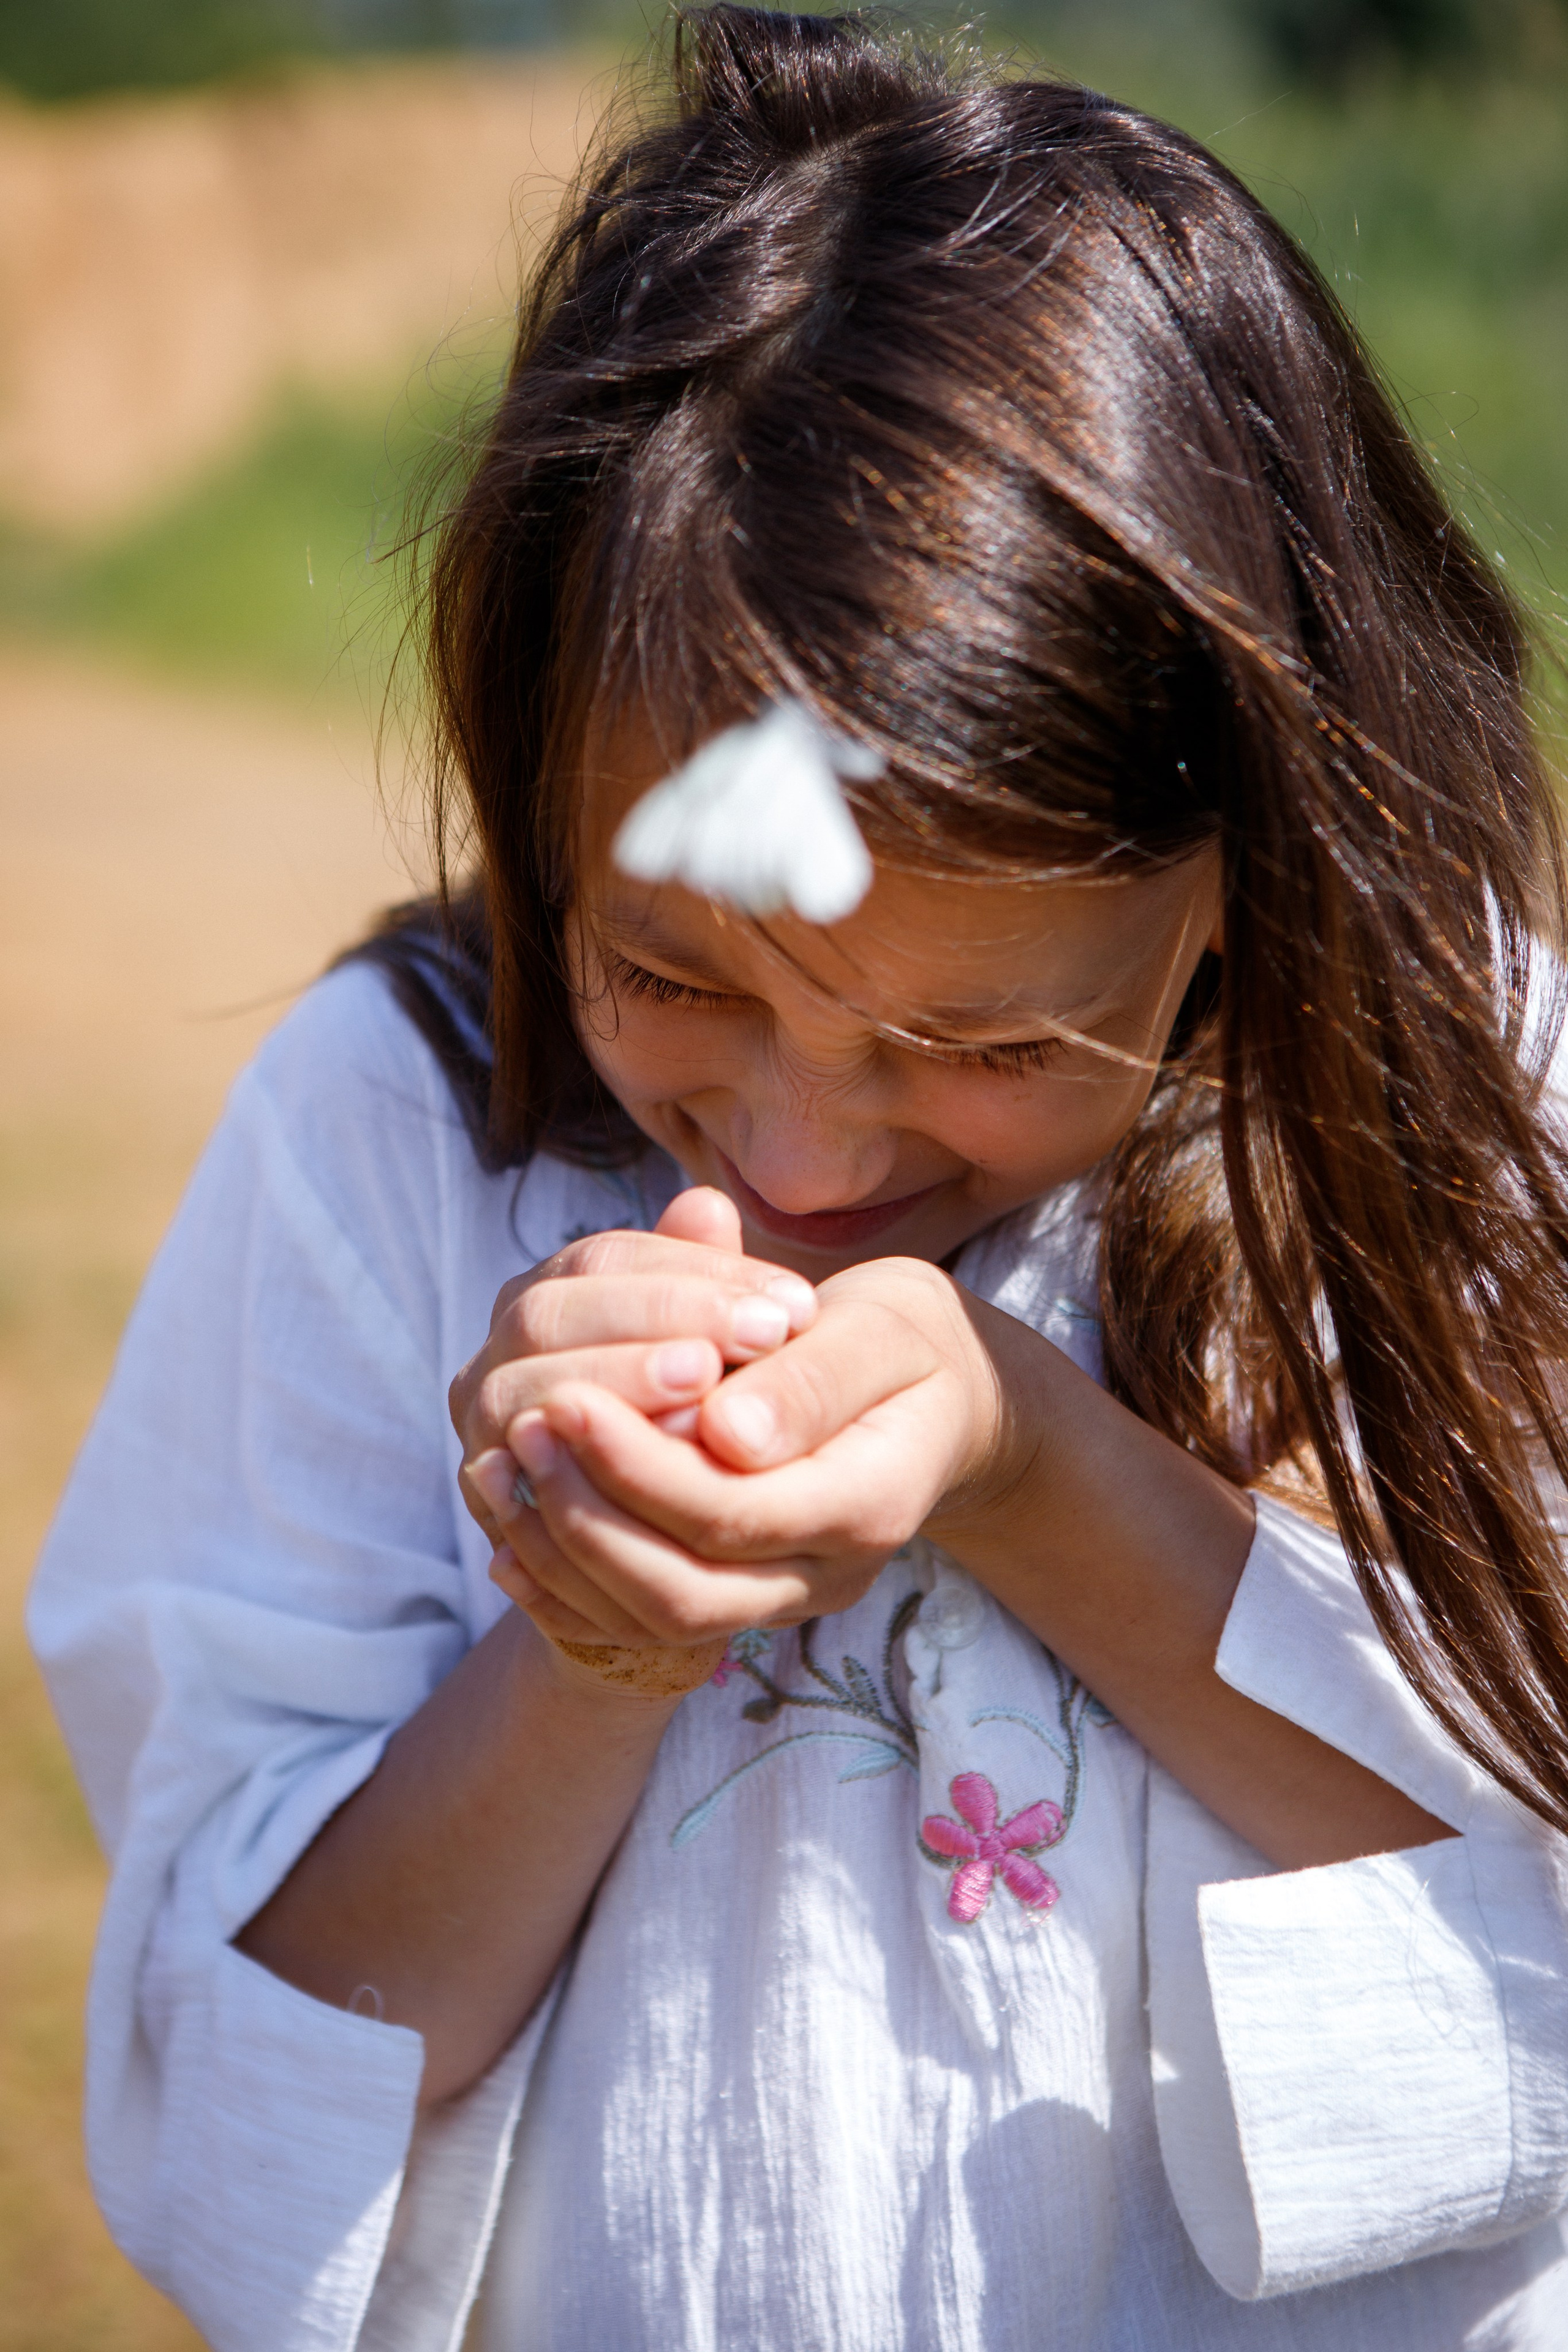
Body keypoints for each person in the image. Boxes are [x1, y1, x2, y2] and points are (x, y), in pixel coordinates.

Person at [29, 9, 1568, 2346]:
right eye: (671, 972)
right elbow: (246, 2089)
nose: (802, 1147)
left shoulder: (1457, 1111)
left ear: (1246, 855)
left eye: (980, 1041)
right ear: (539, 802)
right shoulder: (398, 1127)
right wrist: (585, 1648)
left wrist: (1034, 1463)